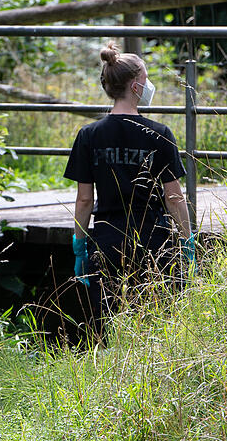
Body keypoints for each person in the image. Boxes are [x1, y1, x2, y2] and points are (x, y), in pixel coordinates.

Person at [64, 43, 195, 338]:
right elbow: (174, 197)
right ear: (136, 85)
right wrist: (187, 242)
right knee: (155, 321)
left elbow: (85, 199)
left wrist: (79, 246)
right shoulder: (159, 134)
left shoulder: (88, 135)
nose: (149, 85)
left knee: (109, 321)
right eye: (146, 79)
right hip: (154, 240)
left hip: (107, 240)